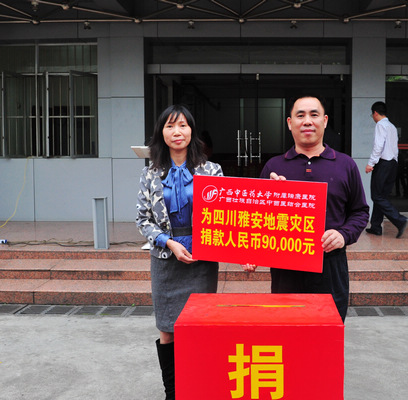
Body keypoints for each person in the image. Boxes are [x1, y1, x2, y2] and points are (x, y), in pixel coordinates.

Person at [243, 95, 369, 322]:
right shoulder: (274, 166)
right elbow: (255, 217)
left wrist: (343, 234)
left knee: (327, 332)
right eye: (300, 115)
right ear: (290, 123)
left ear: (325, 121)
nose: (307, 121)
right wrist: (252, 252)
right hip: (286, 268)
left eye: (314, 115)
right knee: (286, 330)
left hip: (330, 265)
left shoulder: (345, 164)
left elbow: (360, 212)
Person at [136, 104, 223, 400]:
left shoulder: (212, 170)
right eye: (170, 125)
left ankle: (198, 388)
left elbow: (226, 215)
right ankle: (172, 393)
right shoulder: (150, 174)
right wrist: (168, 242)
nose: (177, 131)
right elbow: (143, 220)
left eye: (183, 125)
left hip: (202, 261)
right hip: (165, 261)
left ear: (191, 131)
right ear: (161, 132)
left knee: (200, 327)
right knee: (168, 329)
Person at [365, 101, 408, 238]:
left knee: (376, 196)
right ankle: (376, 226)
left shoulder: (380, 125)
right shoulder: (392, 126)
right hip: (392, 163)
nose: (373, 117)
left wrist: (371, 163)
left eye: (372, 114)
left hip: (383, 164)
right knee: (381, 196)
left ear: (375, 113)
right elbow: (395, 148)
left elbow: (378, 146)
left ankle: (399, 220)